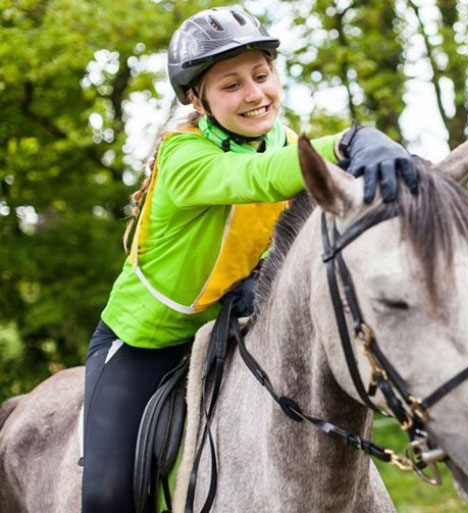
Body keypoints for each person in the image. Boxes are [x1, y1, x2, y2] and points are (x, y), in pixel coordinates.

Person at [80, 6, 419, 512]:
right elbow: (258, 178)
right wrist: (349, 141)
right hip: (146, 344)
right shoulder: (183, 158)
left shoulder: (282, 142)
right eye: (231, 85)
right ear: (199, 99)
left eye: (261, 76)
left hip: (236, 332)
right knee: (107, 496)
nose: (256, 94)